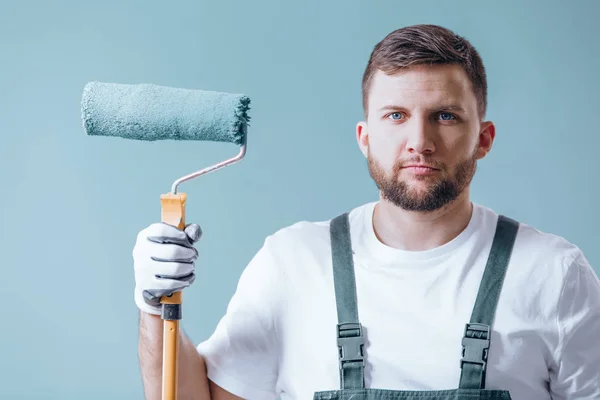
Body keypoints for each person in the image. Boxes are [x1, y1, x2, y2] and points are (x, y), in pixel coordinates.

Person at [133, 24, 600, 400]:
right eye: (396, 115)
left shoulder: (554, 274)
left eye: (445, 115)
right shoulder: (293, 262)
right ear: (365, 137)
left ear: (484, 138)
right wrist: (154, 306)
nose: (419, 140)